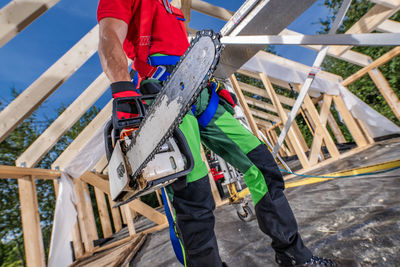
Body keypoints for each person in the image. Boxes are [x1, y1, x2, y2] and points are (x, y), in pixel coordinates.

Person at [96, 0, 361, 266]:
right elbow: (109, 37)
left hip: (200, 92)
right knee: (193, 191)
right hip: (163, 95)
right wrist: (122, 87)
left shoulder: (173, 8)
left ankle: (293, 256)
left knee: (262, 165)